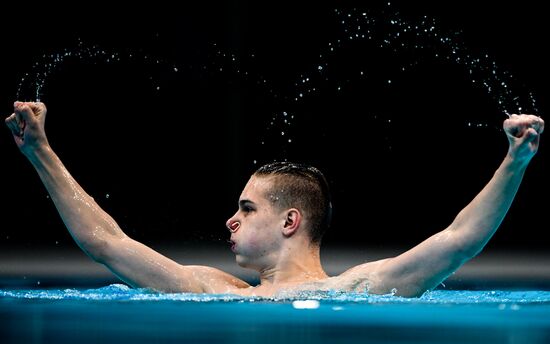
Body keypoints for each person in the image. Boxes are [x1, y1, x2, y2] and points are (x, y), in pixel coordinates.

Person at [4, 101, 545, 297]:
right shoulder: (211, 288)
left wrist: (514, 161)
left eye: (246, 208)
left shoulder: (359, 287)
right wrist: (40, 151)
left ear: (291, 220)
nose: (230, 220)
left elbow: (458, 241)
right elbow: (107, 244)